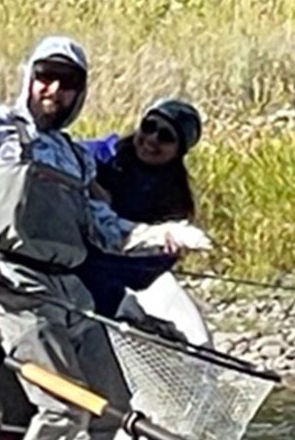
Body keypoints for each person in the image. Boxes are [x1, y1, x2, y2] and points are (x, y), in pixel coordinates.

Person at [0, 36, 208, 440]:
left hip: (72, 294)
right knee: (65, 407)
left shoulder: (76, 157)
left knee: (113, 406)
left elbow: (106, 230)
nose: (54, 89)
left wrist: (165, 234)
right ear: (30, 77)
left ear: (80, 91)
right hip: (16, 287)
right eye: (46, 76)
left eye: (68, 81)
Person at [79, 98, 213, 345]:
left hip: (120, 265)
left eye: (165, 137)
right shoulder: (99, 153)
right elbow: (61, 160)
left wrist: (165, 252)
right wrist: (92, 185)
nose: (152, 139)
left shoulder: (174, 198)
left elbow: (150, 266)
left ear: (178, 151)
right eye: (149, 126)